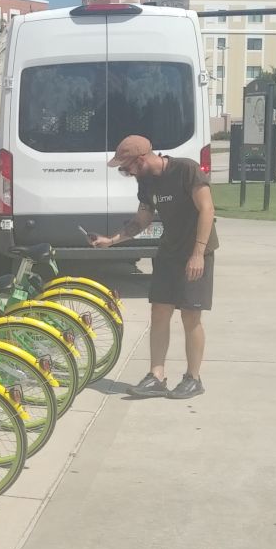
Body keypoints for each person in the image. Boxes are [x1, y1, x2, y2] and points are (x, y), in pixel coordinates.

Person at [89, 135, 216, 400]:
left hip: (196, 250)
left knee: (190, 315)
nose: (125, 172)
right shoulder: (145, 181)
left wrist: (198, 254)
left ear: (141, 159)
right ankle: (156, 376)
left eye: (127, 166)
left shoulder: (186, 170)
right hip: (169, 250)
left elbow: (207, 209)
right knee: (159, 311)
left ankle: (194, 378)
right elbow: (141, 220)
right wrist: (111, 241)